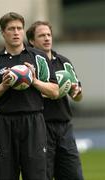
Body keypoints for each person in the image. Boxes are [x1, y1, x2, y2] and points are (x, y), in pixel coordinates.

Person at [0, 13, 59, 180]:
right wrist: (4, 86)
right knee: (4, 176)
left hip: (33, 122)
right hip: (4, 124)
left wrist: (33, 80)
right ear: (2, 32)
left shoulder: (39, 58)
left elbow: (54, 91)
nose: (16, 32)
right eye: (11, 29)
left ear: (23, 31)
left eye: (19, 28)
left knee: (37, 176)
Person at [26, 21, 84, 180]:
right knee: (43, 176)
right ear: (32, 41)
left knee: (74, 176)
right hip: (40, 127)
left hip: (65, 128)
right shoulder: (29, 65)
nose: (47, 38)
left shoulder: (64, 62)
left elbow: (78, 96)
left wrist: (76, 91)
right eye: (41, 35)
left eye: (48, 35)